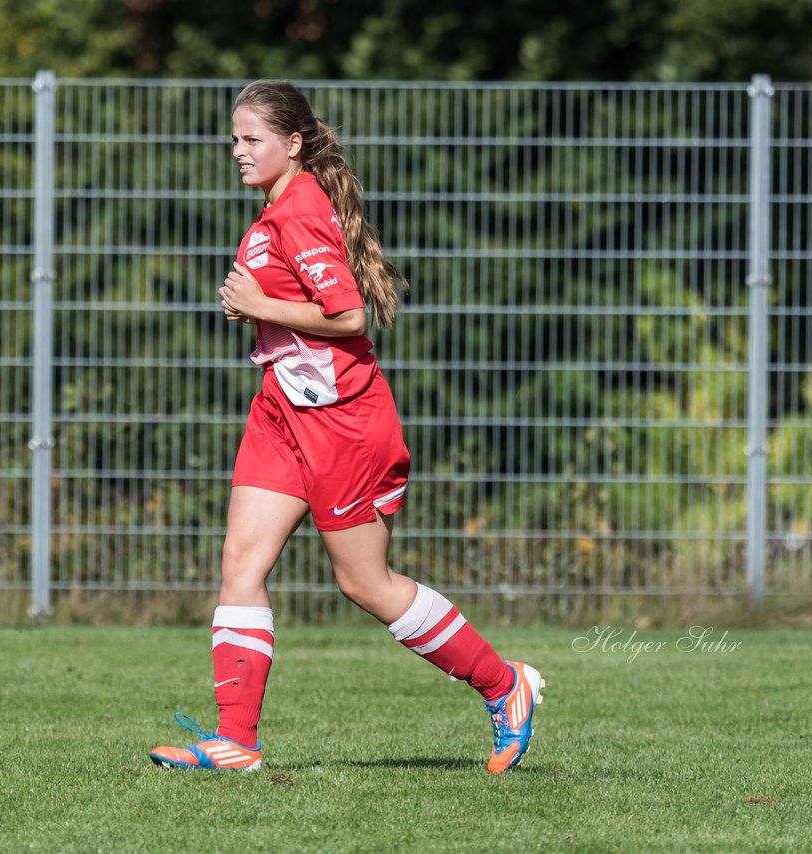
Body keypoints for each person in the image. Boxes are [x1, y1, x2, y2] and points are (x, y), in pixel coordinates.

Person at [149, 80, 543, 774]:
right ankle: (236, 741)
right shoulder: (278, 205)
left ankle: (504, 685)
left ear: (293, 144)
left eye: (253, 141)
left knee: (366, 585)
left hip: (343, 424)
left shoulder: (299, 210)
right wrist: (262, 309)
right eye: (235, 140)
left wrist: (260, 300)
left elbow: (349, 316)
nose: (238, 152)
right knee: (241, 562)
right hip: (282, 410)